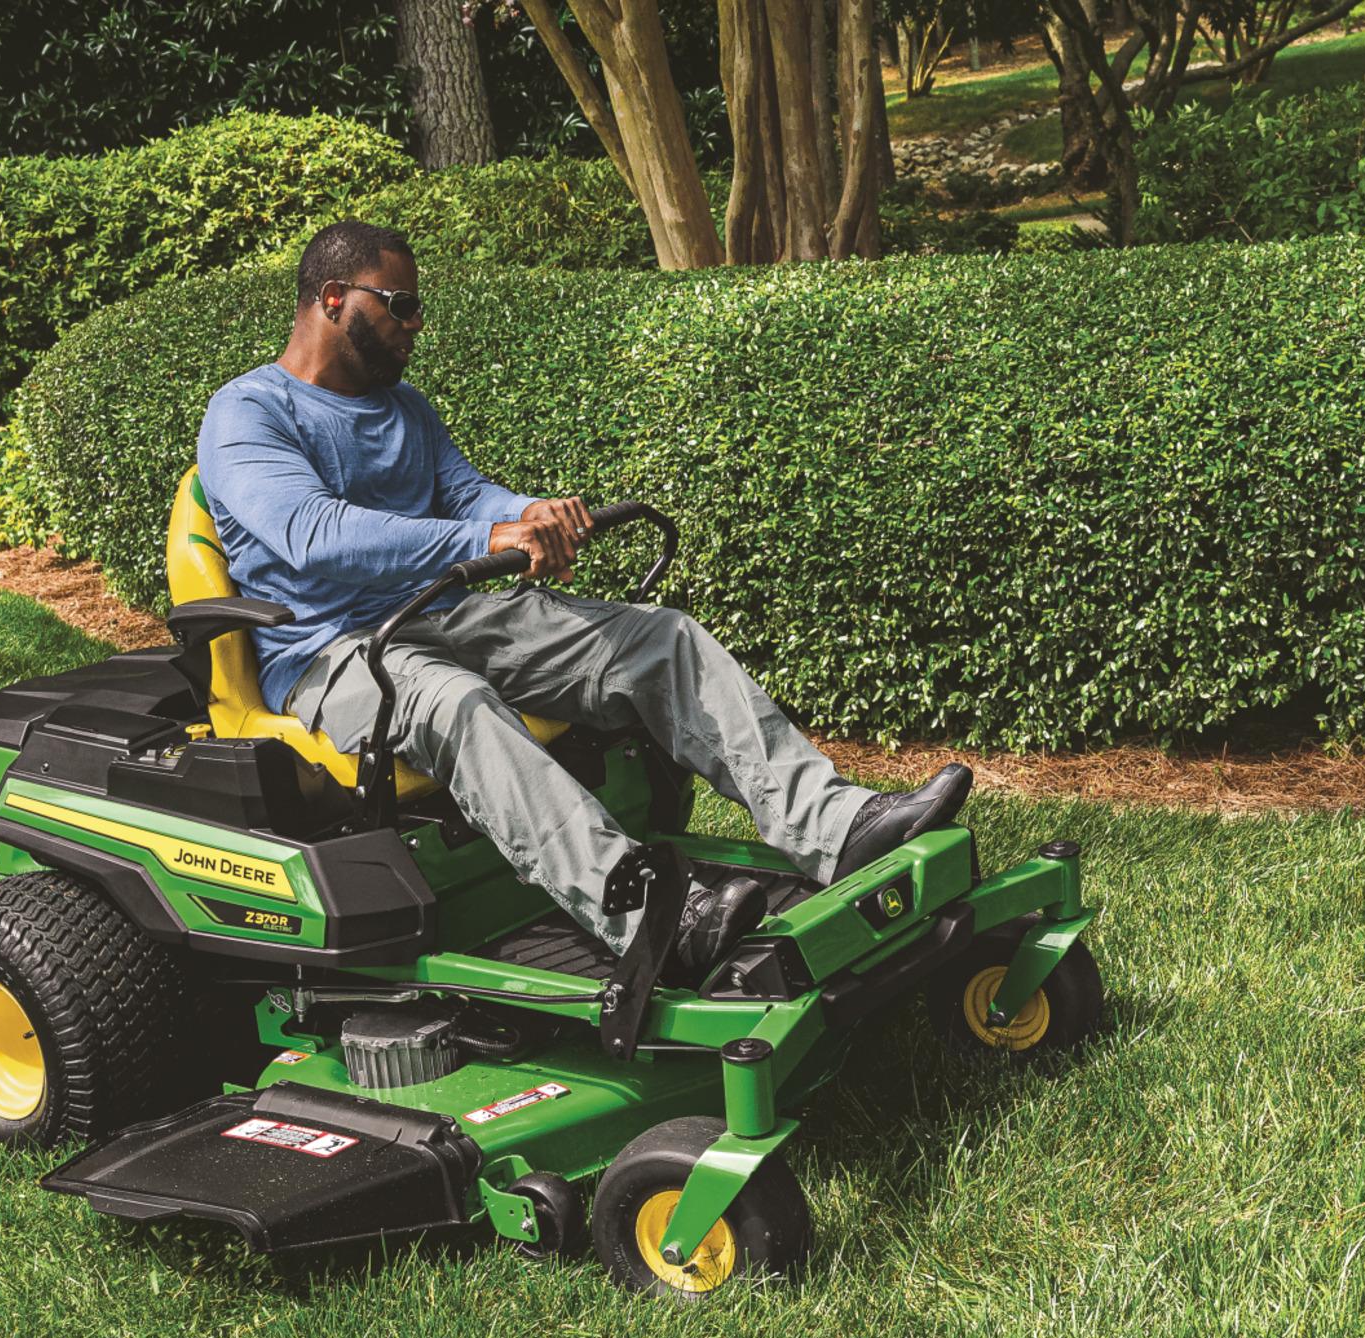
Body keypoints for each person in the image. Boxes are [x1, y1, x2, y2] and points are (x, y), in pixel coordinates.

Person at [197, 220, 970, 980]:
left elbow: (466, 495)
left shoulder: (407, 412)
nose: (416, 324)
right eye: (399, 305)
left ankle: (838, 828)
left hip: (442, 614)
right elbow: (314, 533)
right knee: (457, 704)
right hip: (334, 653)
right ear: (334, 298)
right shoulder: (249, 413)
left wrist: (529, 512)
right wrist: (487, 535)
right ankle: (656, 918)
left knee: (658, 637)